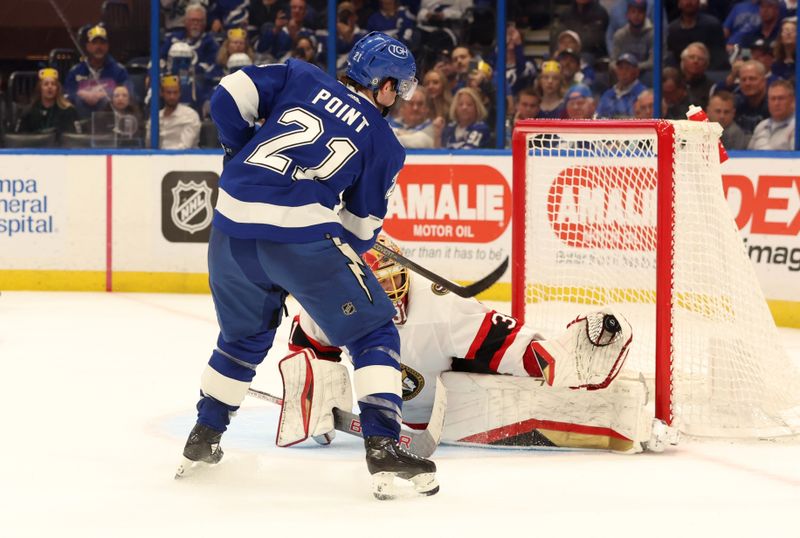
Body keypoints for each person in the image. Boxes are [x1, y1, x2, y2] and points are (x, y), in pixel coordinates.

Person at [175, 32, 439, 499]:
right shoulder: (383, 142)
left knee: (242, 340)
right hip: (301, 240)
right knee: (374, 330)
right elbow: (359, 232)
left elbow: (228, 95)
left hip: (228, 232)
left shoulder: (299, 75)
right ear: (383, 85)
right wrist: (326, 248)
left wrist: (239, 150)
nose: (399, 97)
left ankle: (203, 439)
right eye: (399, 87)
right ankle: (382, 445)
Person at [284, 235, 648, 453]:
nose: (389, 291)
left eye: (391, 278)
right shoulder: (328, 304)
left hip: (451, 393)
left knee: (510, 369)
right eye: (376, 284)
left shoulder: (440, 306)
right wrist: (315, 405)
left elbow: (500, 342)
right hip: (399, 414)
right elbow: (309, 353)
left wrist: (548, 358)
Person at [64, 25, 130, 120]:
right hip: (79, 123)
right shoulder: (75, 71)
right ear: (88, 46)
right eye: (94, 43)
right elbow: (66, 94)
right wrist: (80, 94)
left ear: (107, 46)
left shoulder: (119, 71)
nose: (99, 47)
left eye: (102, 43)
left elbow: (128, 94)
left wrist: (108, 94)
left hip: (110, 123)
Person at [15, 67, 79, 143]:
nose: (50, 87)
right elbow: (19, 139)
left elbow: (74, 139)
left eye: (53, 84)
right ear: (40, 88)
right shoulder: (28, 112)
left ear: (57, 89)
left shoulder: (68, 111)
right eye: (46, 84)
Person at [161, 3, 220, 76]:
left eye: (199, 21)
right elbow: (159, 59)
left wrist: (188, 72)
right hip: (170, 82)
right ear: (185, 22)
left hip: (199, 83)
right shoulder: (172, 39)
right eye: (192, 20)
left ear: (205, 23)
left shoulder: (210, 42)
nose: (195, 24)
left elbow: (211, 66)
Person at [667, 0, 728, 70]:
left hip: (710, 75)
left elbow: (720, 58)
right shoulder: (672, 29)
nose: (689, 2)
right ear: (679, 4)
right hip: (680, 76)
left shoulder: (712, 25)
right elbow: (671, 60)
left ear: (699, 2)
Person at [145, 75, 201, 149]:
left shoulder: (190, 115)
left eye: (175, 92)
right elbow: (149, 145)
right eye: (168, 93)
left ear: (180, 93)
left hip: (186, 159)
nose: (172, 97)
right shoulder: (156, 117)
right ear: (162, 93)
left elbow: (185, 146)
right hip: (158, 158)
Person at [748, 79, 795, 149]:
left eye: (781, 98)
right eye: (773, 99)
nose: (776, 103)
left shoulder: (795, 127)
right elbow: (748, 155)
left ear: (792, 100)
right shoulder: (761, 126)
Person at [596, 53, 646, 118]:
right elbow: (598, 116)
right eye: (620, 68)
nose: (623, 72)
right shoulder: (608, 94)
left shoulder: (643, 94)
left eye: (627, 69)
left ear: (636, 72)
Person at [610, 0, 655, 73]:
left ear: (645, 14)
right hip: (624, 73)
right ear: (627, 14)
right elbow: (612, 62)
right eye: (633, 12)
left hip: (643, 73)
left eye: (640, 12)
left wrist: (633, 68)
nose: (636, 15)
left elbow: (653, 62)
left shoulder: (652, 34)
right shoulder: (620, 35)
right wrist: (621, 69)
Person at [680, 42, 714, 109]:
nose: (695, 61)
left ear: (706, 64)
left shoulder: (711, 88)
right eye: (691, 57)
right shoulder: (674, 83)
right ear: (683, 60)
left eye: (700, 59)